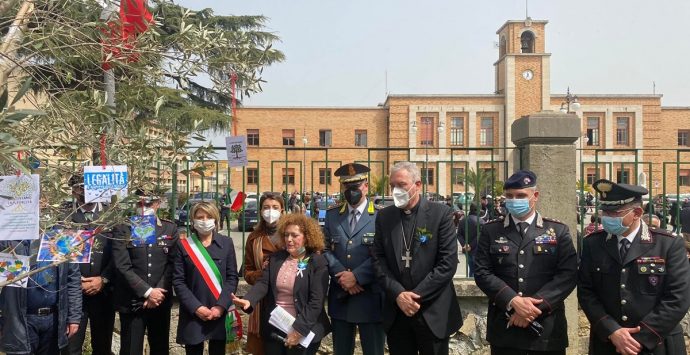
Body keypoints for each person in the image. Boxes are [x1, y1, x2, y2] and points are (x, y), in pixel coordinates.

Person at [578, 179, 690, 355]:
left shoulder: (668, 244)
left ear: (637, 212)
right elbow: (586, 291)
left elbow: (678, 298)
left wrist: (640, 338)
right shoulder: (593, 243)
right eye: (604, 211)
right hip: (609, 343)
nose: (606, 217)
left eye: (614, 213)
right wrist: (612, 331)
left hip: (657, 343)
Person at [473, 170, 578, 355]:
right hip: (505, 327)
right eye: (510, 196)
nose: (514, 200)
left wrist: (533, 308)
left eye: (521, 195)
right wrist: (513, 301)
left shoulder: (557, 231)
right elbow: (482, 272)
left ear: (535, 196)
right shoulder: (491, 231)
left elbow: (568, 275)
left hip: (546, 328)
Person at [371, 161, 461, 355]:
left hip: (432, 310)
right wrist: (398, 294)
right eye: (392, 185)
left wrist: (414, 297)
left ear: (417, 185)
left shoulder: (441, 214)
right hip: (397, 312)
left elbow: (447, 263)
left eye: (401, 184)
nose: (396, 190)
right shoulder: (384, 216)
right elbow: (378, 260)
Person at [232, 213, 330, 355]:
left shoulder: (317, 262)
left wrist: (298, 330)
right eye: (286, 235)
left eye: (294, 235)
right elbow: (263, 283)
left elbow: (316, 302)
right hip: (275, 327)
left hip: (303, 329)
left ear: (307, 237)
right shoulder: (276, 258)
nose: (289, 239)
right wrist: (248, 300)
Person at [323, 163, 385, 355]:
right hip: (341, 296)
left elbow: (384, 253)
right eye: (347, 187)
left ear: (366, 186)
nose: (352, 191)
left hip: (371, 297)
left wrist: (356, 277)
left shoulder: (381, 215)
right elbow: (323, 248)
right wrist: (343, 277)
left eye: (356, 186)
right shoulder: (333, 215)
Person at [112, 188, 179, 355]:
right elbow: (122, 265)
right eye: (139, 203)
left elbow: (172, 264)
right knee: (130, 350)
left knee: (160, 349)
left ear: (157, 203)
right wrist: (147, 292)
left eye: (148, 203)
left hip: (160, 301)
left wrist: (157, 293)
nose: (144, 206)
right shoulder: (123, 228)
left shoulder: (169, 229)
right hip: (133, 302)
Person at [173, 201, 240, 354]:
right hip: (194, 313)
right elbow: (178, 281)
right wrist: (197, 308)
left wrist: (220, 306)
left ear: (215, 219)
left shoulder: (226, 243)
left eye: (208, 216)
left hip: (219, 312)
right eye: (200, 217)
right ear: (193, 220)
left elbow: (232, 278)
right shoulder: (183, 245)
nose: (204, 220)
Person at [62, 173, 116, 355]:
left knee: (102, 346)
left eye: (88, 187)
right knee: (71, 347)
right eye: (80, 188)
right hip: (73, 292)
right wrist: (76, 280)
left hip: (104, 292)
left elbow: (120, 254)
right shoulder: (65, 216)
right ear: (74, 190)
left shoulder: (111, 215)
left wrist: (104, 279)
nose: (84, 192)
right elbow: (58, 252)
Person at [0, 238, 82, 355]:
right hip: (20, 320)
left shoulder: (62, 239)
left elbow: (73, 279)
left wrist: (74, 317)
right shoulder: (10, 238)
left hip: (53, 320)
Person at [243, 192, 285, 355]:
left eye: (275, 207)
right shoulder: (254, 238)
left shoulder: (292, 235)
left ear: (282, 210)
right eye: (266, 207)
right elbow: (247, 272)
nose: (270, 211)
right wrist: (263, 274)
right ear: (260, 211)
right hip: (263, 302)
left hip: (289, 300)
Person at [457, 203, 483, 277]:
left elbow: (459, 234)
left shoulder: (463, 220)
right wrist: (470, 245)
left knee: (471, 268)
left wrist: (465, 244)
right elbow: (480, 235)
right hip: (476, 248)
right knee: (477, 269)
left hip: (466, 249)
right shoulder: (480, 221)